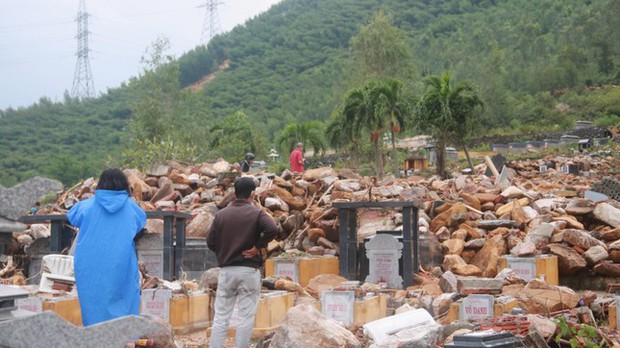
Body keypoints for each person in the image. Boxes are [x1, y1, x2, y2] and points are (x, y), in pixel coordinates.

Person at [66, 168, 146, 326]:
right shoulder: (132, 208)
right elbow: (139, 224)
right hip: (122, 264)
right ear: (124, 184)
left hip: (89, 265)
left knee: (93, 304)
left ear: (101, 184)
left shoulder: (84, 207)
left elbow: (72, 217)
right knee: (125, 300)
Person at [207, 177, 277, 348]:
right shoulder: (257, 213)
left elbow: (210, 242)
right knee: (245, 318)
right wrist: (257, 247)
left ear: (234, 194)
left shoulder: (221, 215)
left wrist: (225, 251)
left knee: (221, 317)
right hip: (248, 271)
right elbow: (273, 229)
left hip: (227, 271)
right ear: (252, 194)